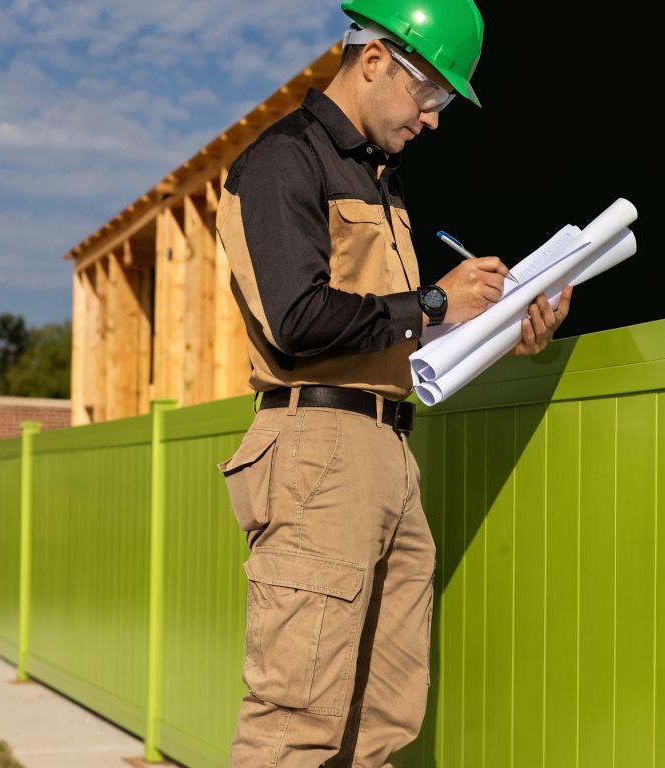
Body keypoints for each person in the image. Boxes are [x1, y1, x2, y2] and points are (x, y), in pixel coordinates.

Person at [213, 1, 571, 764]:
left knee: (383, 718)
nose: (434, 120)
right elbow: (298, 322)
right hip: (318, 452)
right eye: (431, 95)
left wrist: (506, 328)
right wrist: (438, 297)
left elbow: (391, 336)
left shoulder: (379, 180)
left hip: (386, 451)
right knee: (295, 720)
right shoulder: (285, 160)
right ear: (374, 59)